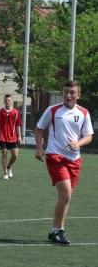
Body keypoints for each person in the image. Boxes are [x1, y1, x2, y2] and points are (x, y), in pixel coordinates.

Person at [35, 80, 93, 246]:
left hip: (74, 159)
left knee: (66, 197)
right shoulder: (53, 110)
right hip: (55, 156)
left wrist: (78, 143)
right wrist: (39, 149)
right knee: (66, 193)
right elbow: (39, 128)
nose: (68, 96)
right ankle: (57, 230)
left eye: (72, 93)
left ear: (78, 95)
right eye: (66, 92)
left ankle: (55, 230)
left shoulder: (84, 113)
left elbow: (88, 136)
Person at [0, 94, 21, 180]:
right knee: (4, 153)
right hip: (2, 136)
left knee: (15, 155)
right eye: (6, 100)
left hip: (13, 137)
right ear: (3, 101)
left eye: (9, 100)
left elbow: (18, 125)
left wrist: (19, 136)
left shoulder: (16, 112)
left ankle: (8, 167)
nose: (7, 102)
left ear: (12, 101)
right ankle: (5, 173)